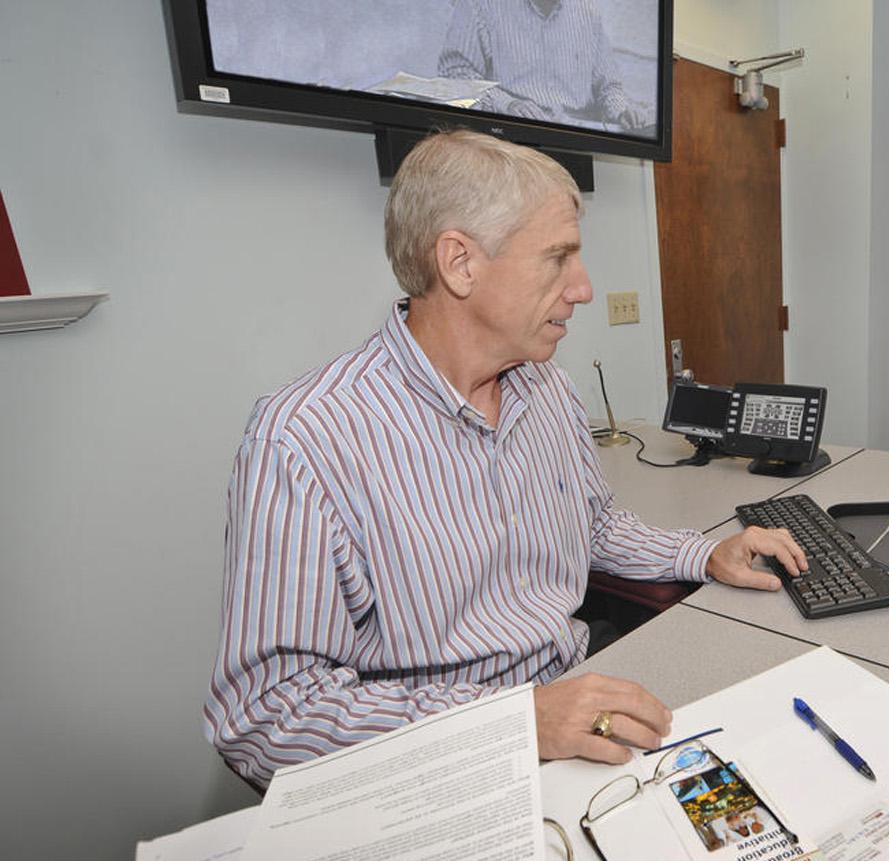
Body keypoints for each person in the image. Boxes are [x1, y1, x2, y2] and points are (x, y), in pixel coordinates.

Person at [203, 129, 805, 789]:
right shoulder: (305, 440)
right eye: (558, 258)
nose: (583, 287)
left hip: (571, 694)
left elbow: (594, 525)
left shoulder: (547, 388)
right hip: (441, 766)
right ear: (460, 263)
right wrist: (513, 722)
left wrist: (701, 555)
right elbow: (265, 716)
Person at [437, 0, 653, 131]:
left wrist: (622, 110)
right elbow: (455, 74)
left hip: (576, 140)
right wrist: (506, 104)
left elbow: (609, 87)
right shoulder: (481, 5)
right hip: (508, 139)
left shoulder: (588, 13)